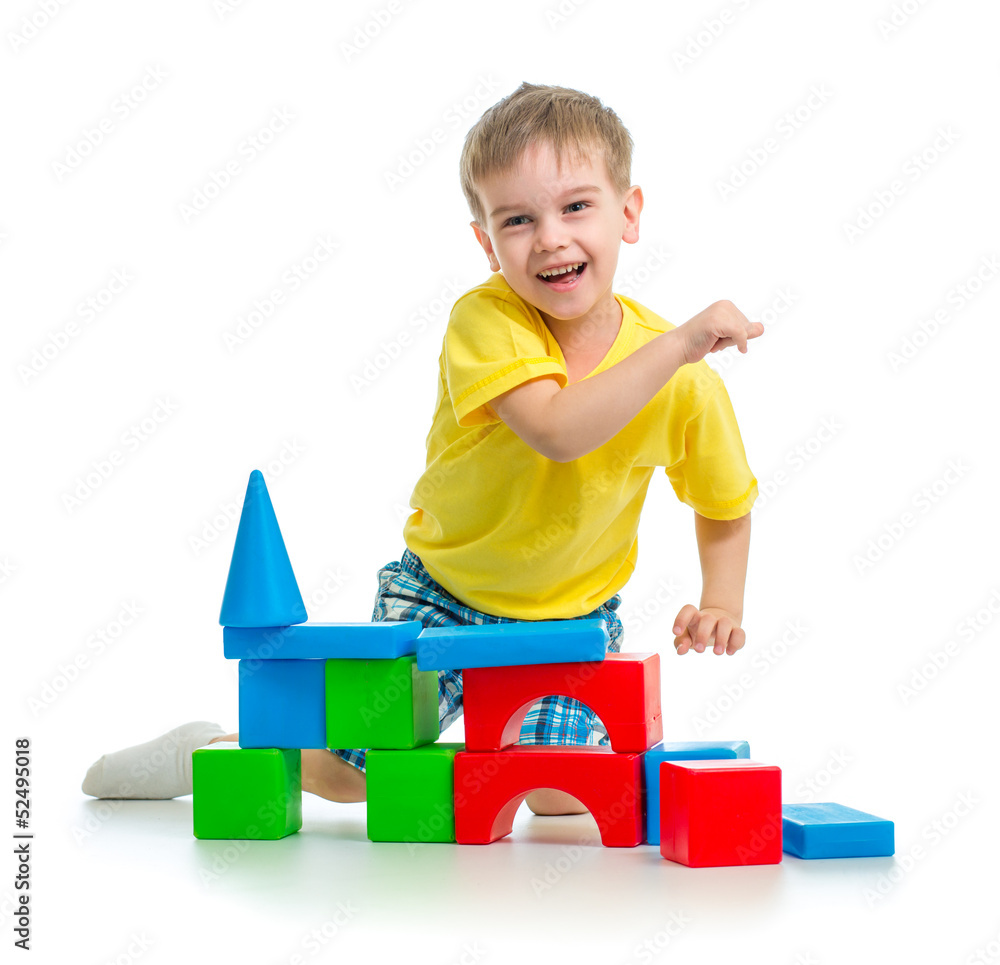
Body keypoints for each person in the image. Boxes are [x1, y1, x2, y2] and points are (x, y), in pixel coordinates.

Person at [82, 81, 763, 816]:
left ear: (628, 213)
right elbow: (557, 429)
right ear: (486, 242)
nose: (550, 238)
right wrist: (682, 343)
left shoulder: (686, 386)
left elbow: (724, 502)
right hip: (440, 596)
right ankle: (211, 749)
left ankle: (485, 771)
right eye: (517, 219)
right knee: (356, 777)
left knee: (559, 795)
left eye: (576, 207)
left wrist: (721, 600)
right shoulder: (489, 322)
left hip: (566, 623)